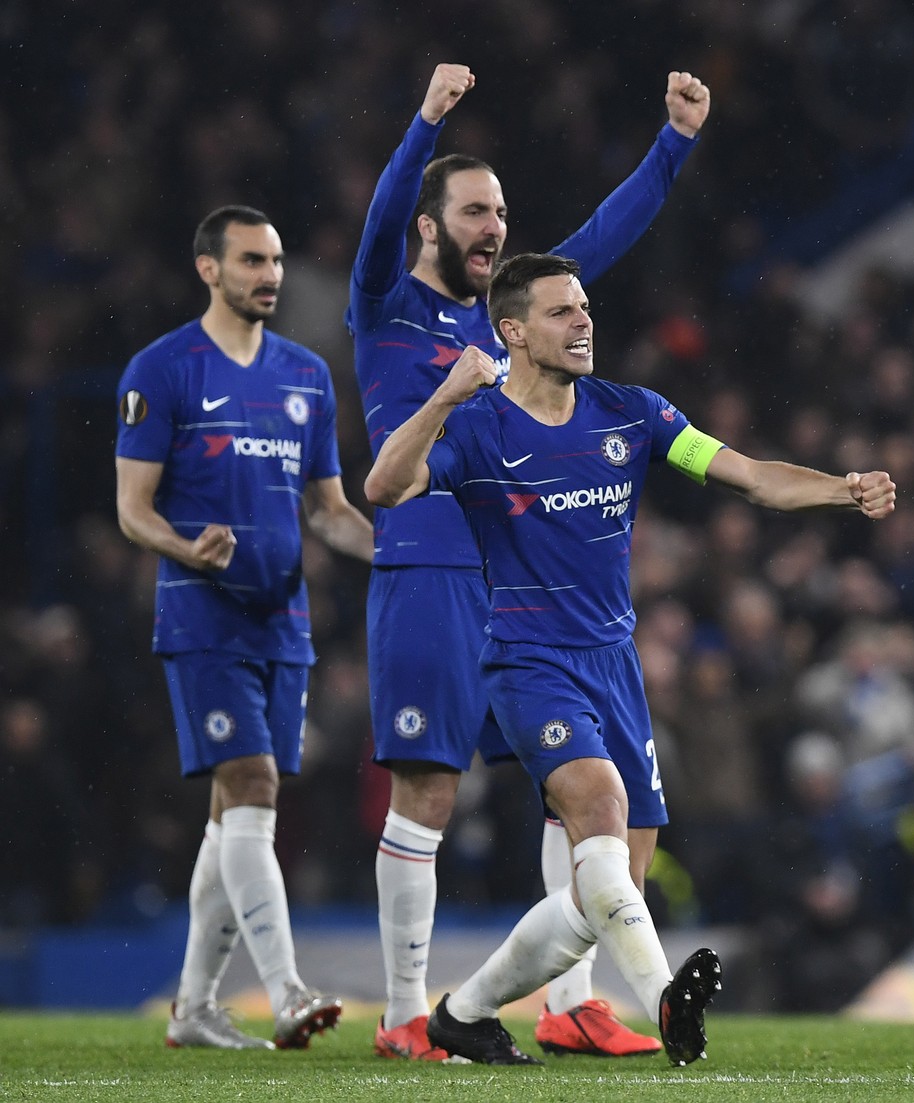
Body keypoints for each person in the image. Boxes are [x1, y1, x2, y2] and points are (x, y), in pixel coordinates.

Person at [364, 252, 896, 1065]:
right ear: (511, 332)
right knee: (601, 808)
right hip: (530, 662)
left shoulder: (633, 415)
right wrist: (442, 395)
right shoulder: (476, 430)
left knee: (605, 891)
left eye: (584, 307)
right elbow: (385, 485)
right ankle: (664, 1001)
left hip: (616, 666)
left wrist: (842, 486)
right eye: (559, 312)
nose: (583, 322)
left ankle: (464, 1011)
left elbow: (747, 475)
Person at [348, 63, 710, 1061]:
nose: (494, 226)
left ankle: (572, 1002)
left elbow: (607, 233)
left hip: (527, 584)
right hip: (427, 570)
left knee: (579, 789)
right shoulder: (385, 304)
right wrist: (423, 122)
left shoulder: (512, 316)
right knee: (428, 788)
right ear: (430, 225)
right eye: (473, 210)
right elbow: (381, 216)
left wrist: (673, 142)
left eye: (501, 210)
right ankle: (406, 1012)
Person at [115, 205, 376, 1050]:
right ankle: (287, 988)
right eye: (253, 261)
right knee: (255, 783)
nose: (270, 275)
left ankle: (192, 1008)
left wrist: (405, 554)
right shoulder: (163, 370)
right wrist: (186, 547)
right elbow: (132, 510)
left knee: (236, 814)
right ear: (209, 269)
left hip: (284, 619)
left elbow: (331, 512)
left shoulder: (304, 375)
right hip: (202, 616)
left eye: (276, 262)